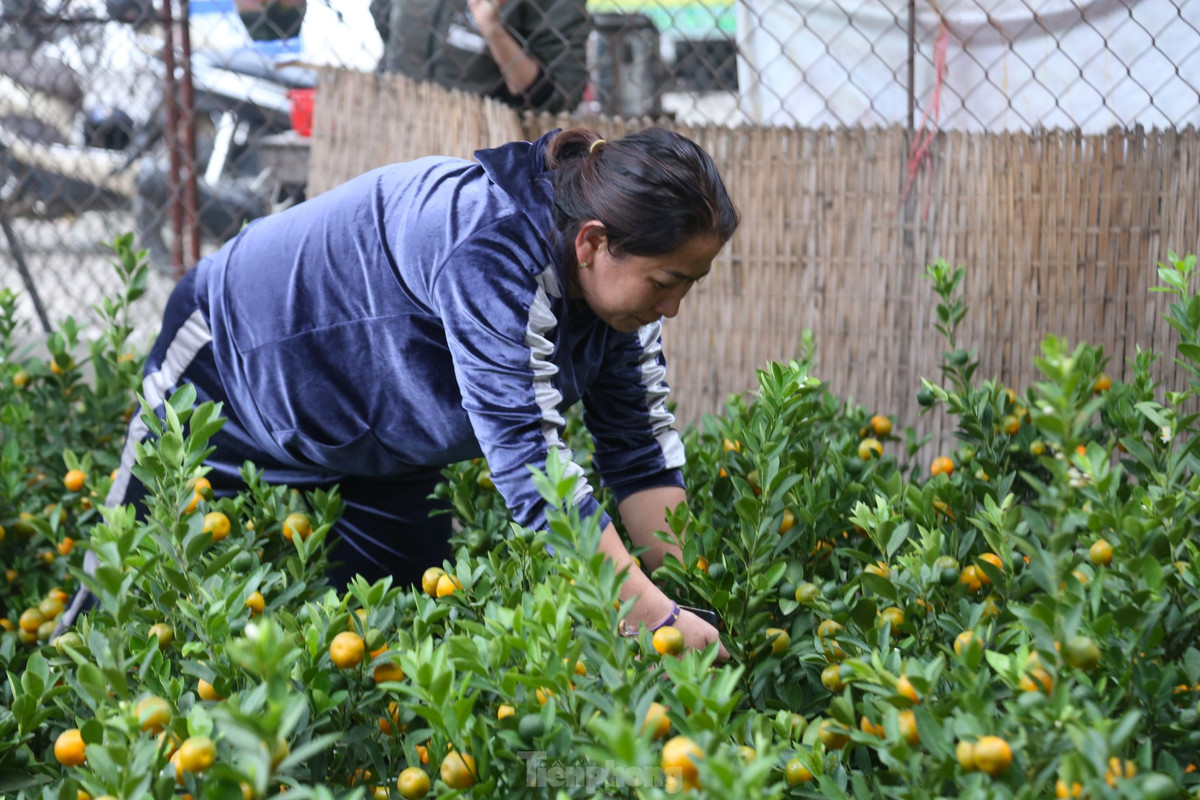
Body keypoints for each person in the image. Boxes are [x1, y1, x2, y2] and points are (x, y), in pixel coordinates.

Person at [66, 126, 738, 657]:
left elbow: (640, 457)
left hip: (383, 446)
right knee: (115, 606)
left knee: (396, 654)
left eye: (689, 284)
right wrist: (652, 619)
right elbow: (535, 471)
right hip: (230, 366)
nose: (672, 308)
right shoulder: (492, 247)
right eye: (665, 282)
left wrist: (690, 605)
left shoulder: (622, 305)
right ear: (592, 242)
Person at [370, 0, 591, 113]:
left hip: (482, 136)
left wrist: (492, 30)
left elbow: (560, 93)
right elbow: (381, 14)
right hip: (396, 109)